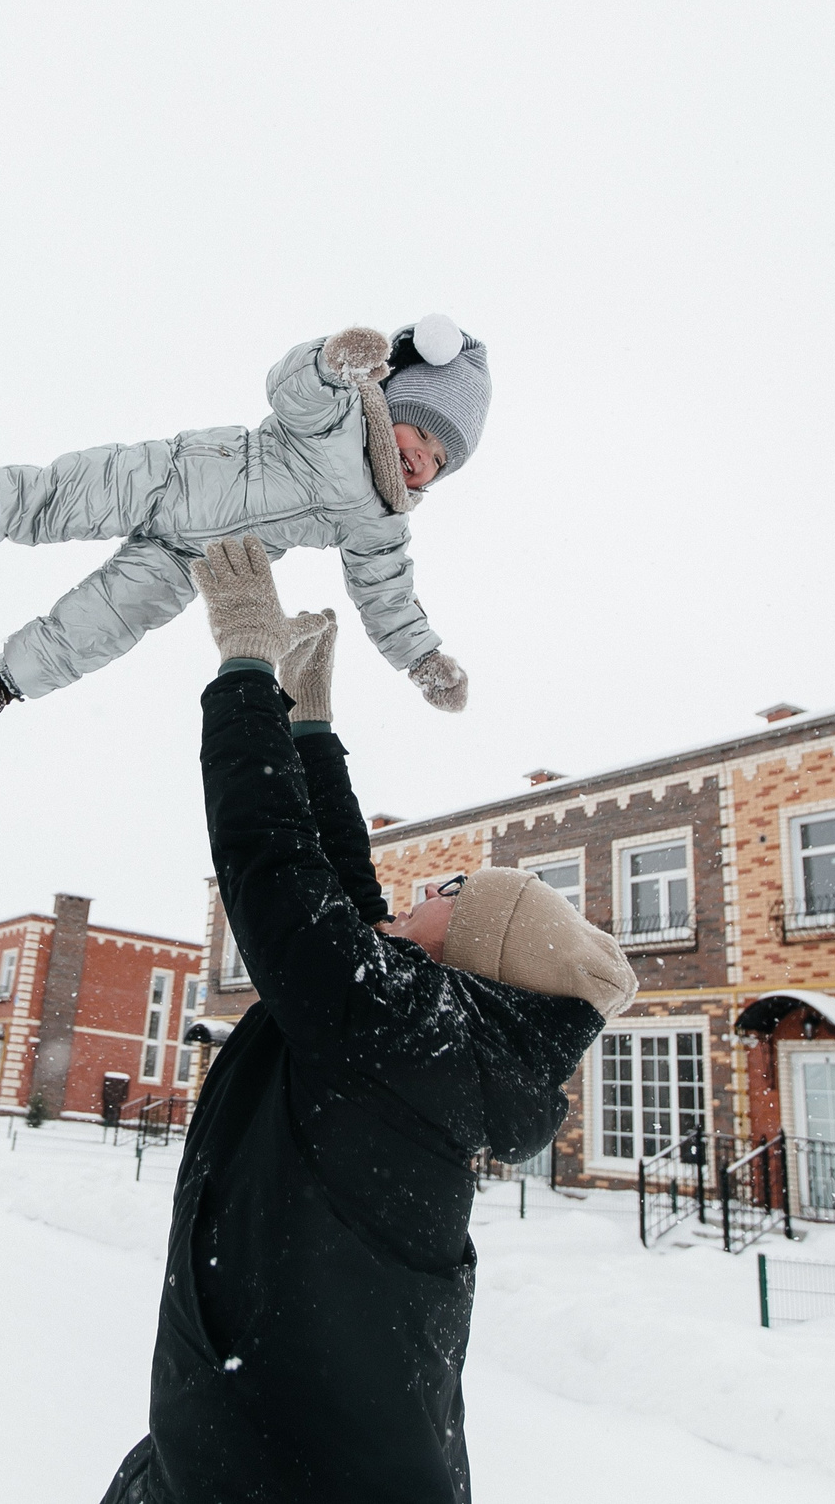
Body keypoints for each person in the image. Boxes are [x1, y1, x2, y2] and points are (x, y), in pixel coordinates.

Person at [99, 537, 635, 1504]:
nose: (427, 885)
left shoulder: (409, 1029)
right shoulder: (424, 1038)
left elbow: (277, 875)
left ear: (465, 949)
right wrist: (309, 729)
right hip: (265, 1449)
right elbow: (345, 894)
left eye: (453, 890)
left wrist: (245, 666)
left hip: (270, 1471)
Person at [0, 317, 492, 733]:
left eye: (441, 463)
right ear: (400, 401)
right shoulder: (343, 414)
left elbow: (388, 596)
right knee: (44, 497)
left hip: (200, 561)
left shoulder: (380, 522)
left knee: (108, 621)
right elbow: (288, 390)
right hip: (167, 474)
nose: (424, 461)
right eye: (427, 435)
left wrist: (421, 658)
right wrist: (330, 363)